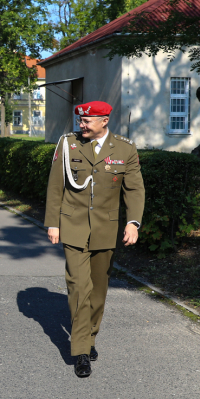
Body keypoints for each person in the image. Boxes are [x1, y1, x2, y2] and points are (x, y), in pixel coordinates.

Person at [44, 101, 145, 378]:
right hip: (73, 225)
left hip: (105, 229)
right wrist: (53, 223)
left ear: (104, 121)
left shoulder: (125, 148)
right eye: (81, 120)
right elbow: (56, 186)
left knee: (98, 291)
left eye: (88, 121)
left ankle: (90, 336)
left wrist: (133, 222)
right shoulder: (68, 144)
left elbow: (134, 189)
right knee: (78, 287)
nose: (82, 125)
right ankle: (81, 352)